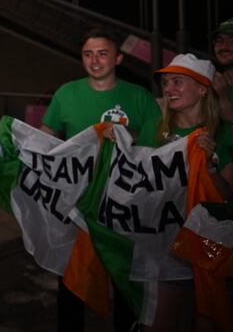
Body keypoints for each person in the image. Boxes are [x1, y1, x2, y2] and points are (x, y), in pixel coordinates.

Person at [40, 28, 161, 332]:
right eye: (88, 54)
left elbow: (156, 149)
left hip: (125, 208)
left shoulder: (139, 96)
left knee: (124, 283)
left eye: (103, 53)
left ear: (118, 58)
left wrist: (124, 135)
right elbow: (46, 137)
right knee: (72, 284)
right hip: (76, 206)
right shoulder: (66, 93)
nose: (95, 60)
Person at [137, 53, 233, 331]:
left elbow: (227, 196)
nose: (169, 89)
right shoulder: (154, 129)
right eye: (167, 83)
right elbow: (138, 185)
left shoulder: (221, 133)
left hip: (204, 243)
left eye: (178, 82)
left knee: (204, 319)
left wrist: (211, 164)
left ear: (202, 88)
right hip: (163, 246)